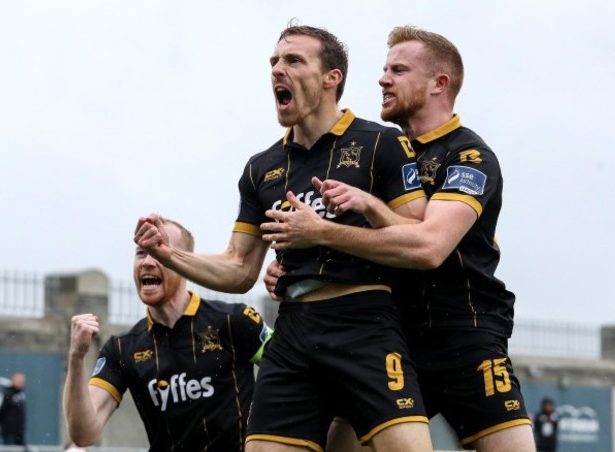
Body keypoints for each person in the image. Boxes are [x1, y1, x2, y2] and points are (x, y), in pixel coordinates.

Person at [134, 23, 433, 452]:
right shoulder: (261, 168)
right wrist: (168, 254)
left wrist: (335, 224)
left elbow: (419, 242)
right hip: (293, 333)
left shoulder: (380, 143)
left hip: (365, 323)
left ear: (333, 78)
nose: (278, 69)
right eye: (274, 61)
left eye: (293, 60)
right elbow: (239, 269)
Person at [261, 25, 536, 451]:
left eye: (398, 70)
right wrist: (296, 267)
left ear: (438, 84)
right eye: (384, 68)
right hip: (389, 334)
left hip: (463, 337)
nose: (382, 79)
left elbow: (429, 247)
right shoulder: (379, 151)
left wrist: (345, 220)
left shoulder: (468, 156)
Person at [63, 217, 272, 451]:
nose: (148, 262)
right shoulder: (121, 350)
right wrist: (76, 358)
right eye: (141, 253)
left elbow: (295, 366)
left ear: (184, 263)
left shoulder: (234, 320)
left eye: (158, 252)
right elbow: (84, 434)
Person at [0, 371, 27, 448]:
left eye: (22, 381)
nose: (21, 383)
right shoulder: (8, 393)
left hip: (19, 432)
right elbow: (1, 411)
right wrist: (4, 427)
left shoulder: (21, 393)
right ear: (13, 381)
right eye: (19, 381)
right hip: (9, 432)